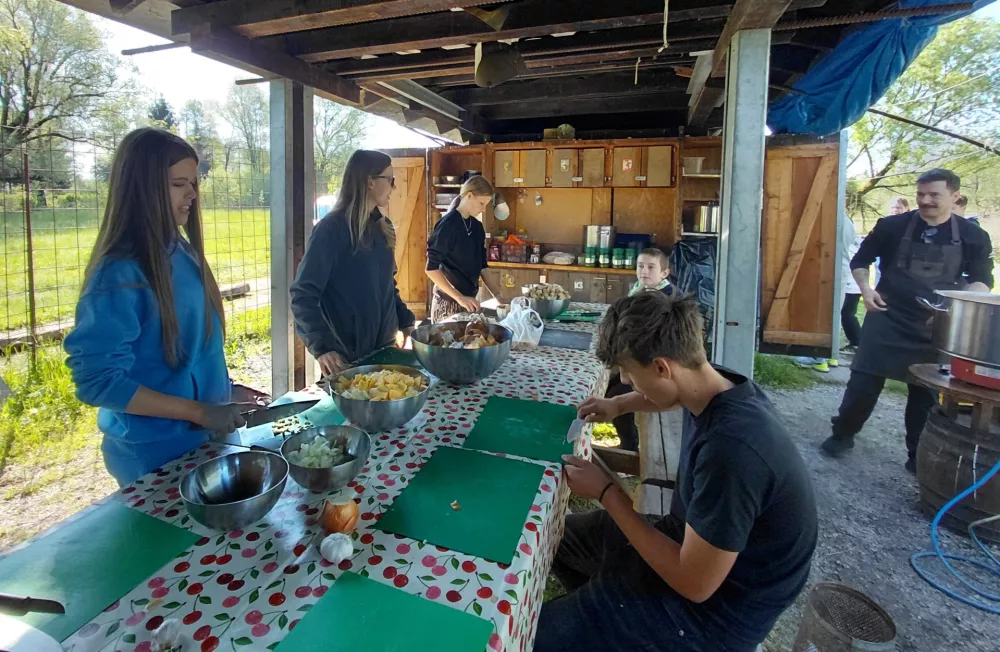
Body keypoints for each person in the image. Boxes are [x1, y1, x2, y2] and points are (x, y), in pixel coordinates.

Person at [535, 293, 817, 652]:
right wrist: (619, 402)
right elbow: (669, 394)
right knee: (554, 534)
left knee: (535, 639)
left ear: (662, 367)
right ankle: (602, 605)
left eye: (629, 376)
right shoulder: (715, 383)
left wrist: (608, 493)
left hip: (713, 615)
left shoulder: (731, 450)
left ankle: (607, 616)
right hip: (688, 541)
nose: (625, 380)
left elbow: (695, 584)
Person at [64, 128, 262, 486]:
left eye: (194, 183)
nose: (192, 194)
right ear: (142, 188)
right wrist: (199, 411)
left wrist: (223, 390)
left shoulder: (182, 250)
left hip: (207, 443)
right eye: (178, 184)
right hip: (156, 457)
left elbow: (185, 355)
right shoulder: (120, 273)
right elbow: (97, 381)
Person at [821, 169, 994, 472]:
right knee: (863, 383)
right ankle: (843, 434)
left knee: (924, 393)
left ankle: (917, 453)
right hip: (886, 314)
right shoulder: (892, 226)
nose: (925, 201)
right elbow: (860, 261)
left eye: (934, 195)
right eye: (921, 194)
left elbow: (982, 281)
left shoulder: (973, 235)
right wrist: (866, 289)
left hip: (934, 322)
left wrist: (957, 308)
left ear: (954, 196)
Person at [291, 150, 415, 376]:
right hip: (346, 360)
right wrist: (323, 347)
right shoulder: (331, 230)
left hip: (384, 350)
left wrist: (405, 320)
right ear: (370, 182)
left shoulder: (383, 227)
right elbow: (303, 294)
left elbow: (388, 284)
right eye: (390, 180)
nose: (394, 187)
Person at [605, 247, 677, 451]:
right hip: (636, 356)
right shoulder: (639, 289)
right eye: (640, 266)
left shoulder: (666, 298)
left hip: (656, 364)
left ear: (664, 273)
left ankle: (629, 446)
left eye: (651, 267)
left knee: (619, 390)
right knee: (611, 387)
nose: (644, 271)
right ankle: (626, 442)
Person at [424, 175, 504, 322]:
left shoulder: (477, 227)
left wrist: (499, 297)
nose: (483, 209)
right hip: (447, 302)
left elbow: (482, 267)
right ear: (469, 196)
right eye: (481, 203)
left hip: (469, 301)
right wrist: (459, 297)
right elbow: (431, 269)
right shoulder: (448, 225)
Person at [840, 216, 862, 353]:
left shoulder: (841, 221)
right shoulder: (847, 223)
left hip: (850, 283)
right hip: (851, 282)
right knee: (845, 314)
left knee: (846, 314)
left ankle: (856, 343)